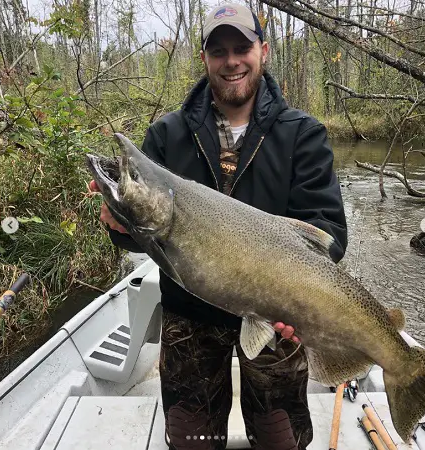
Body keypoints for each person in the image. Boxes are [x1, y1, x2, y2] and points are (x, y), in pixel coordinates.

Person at [90, 3, 347, 449]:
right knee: (193, 440)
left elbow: (327, 230)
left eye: (241, 47)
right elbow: (141, 237)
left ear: (263, 51)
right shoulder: (165, 136)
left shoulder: (302, 133)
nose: (231, 61)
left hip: (276, 313)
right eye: (219, 50)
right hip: (190, 319)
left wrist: (297, 303)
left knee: (280, 441)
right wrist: (118, 221)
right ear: (205, 58)